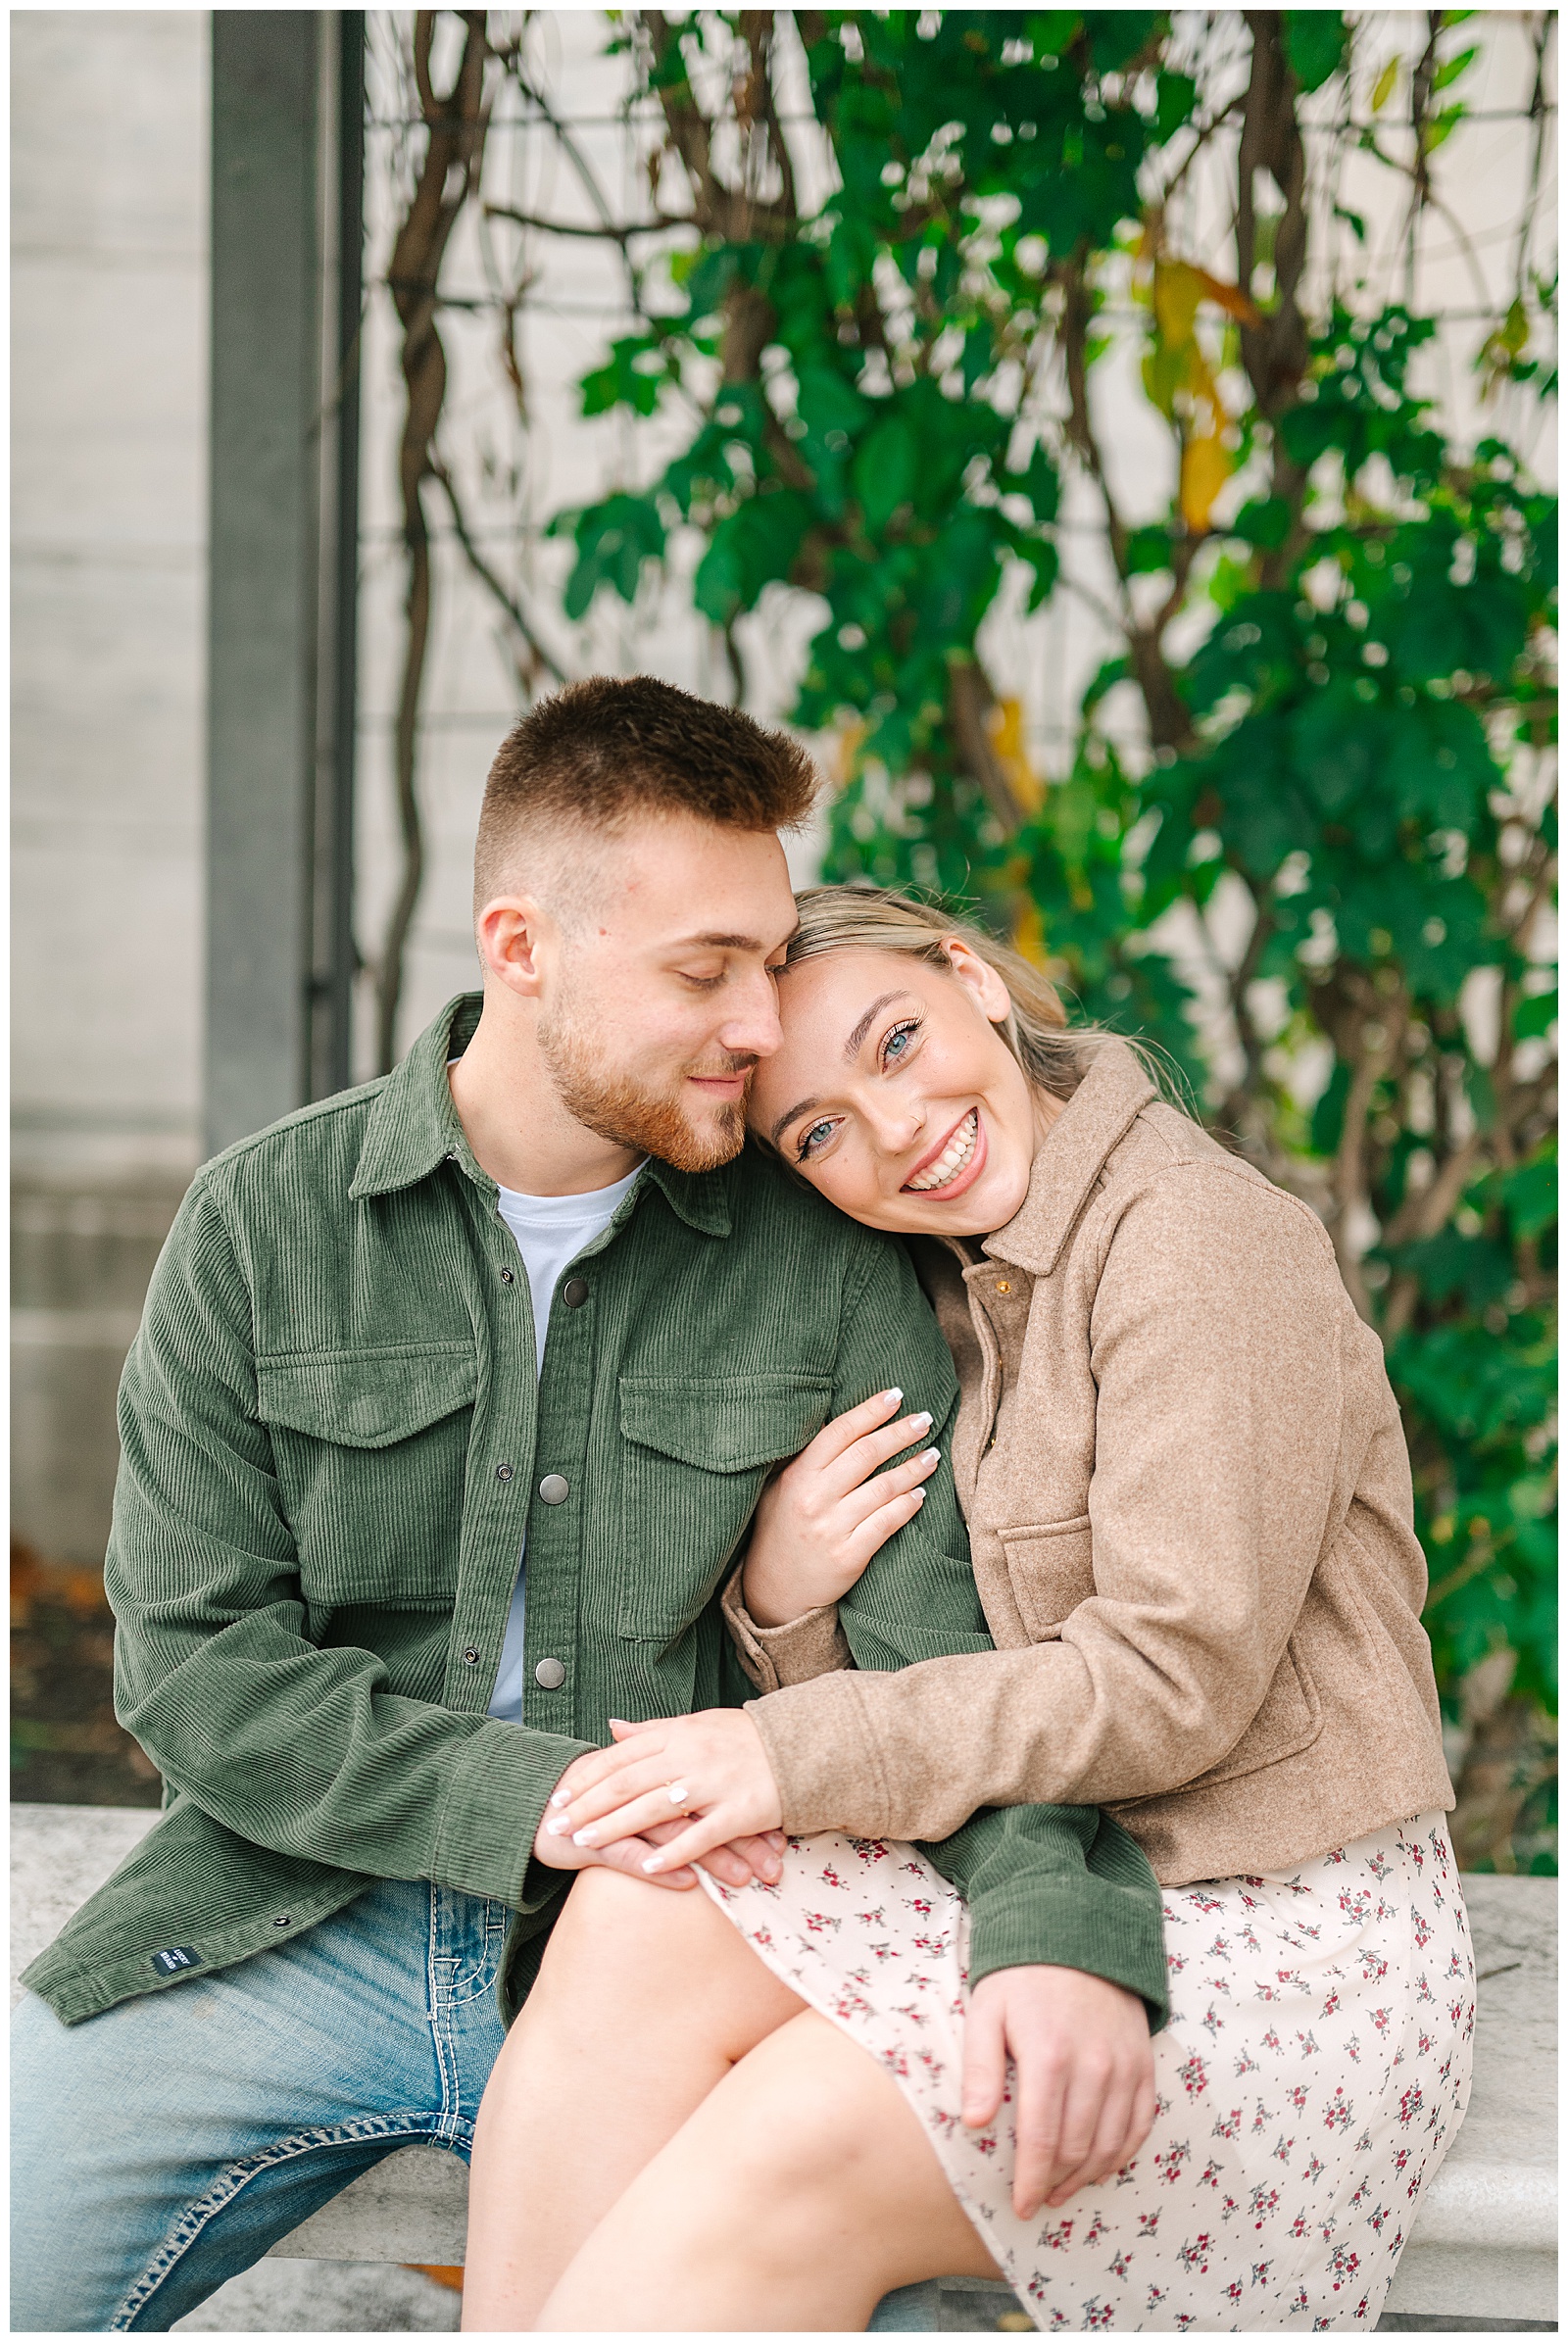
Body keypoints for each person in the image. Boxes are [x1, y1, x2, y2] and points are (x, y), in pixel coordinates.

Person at [11, 690, 1165, 2333]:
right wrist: (551, 1795)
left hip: (673, 1965)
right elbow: (197, 1669)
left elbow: (950, 1666)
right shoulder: (262, 1225)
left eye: (770, 958)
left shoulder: (823, 1251)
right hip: (292, 1911)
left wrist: (1053, 1929)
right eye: (706, 970)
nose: (763, 1024)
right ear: (522, 944)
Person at [464, 884, 1474, 2335]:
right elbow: (957, 1675)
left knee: (791, 2140)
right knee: (636, 1906)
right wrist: (783, 1599)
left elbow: (1168, 1680)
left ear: (972, 980)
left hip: (1288, 1935)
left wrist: (783, 1749)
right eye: (816, 1130)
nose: (893, 1133)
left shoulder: (1193, 1238)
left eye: (895, 1041)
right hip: (1070, 1859)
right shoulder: (952, 1279)